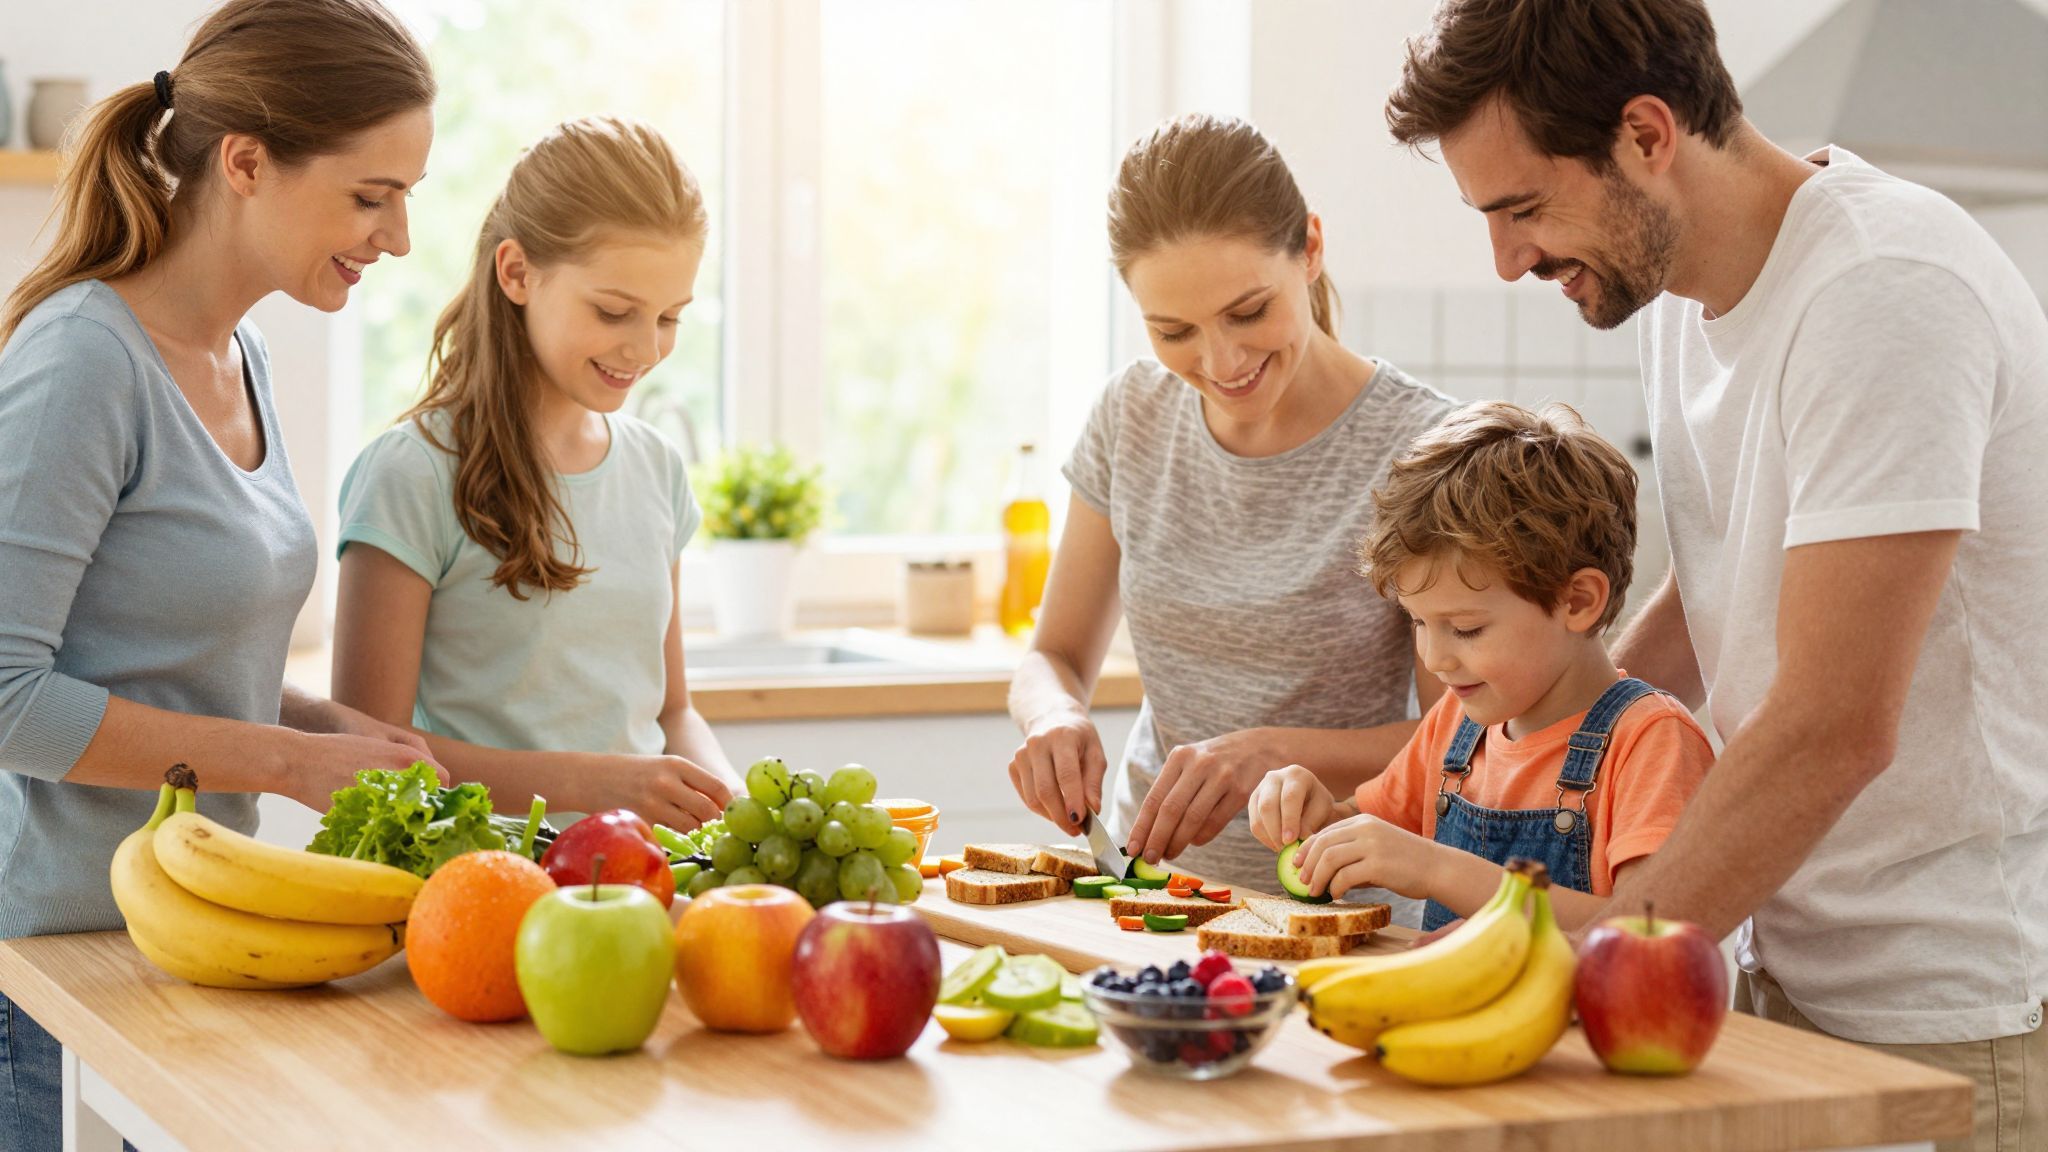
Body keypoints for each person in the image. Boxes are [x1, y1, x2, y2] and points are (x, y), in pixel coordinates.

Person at [1385, 0, 2048, 1145]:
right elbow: (1717, 589)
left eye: (1523, 207)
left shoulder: (1880, 291)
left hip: (1946, 998)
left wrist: (1596, 947)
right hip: (1768, 954)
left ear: (1646, 135)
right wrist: (1554, 738)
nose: (1506, 260)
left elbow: (1835, 721)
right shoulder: (1670, 290)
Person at [0, 1, 437, 1147]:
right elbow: (6, 699)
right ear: (245, 161)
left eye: (407, 198)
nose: (395, 238)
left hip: (184, 950)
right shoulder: (85, 357)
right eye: (369, 195)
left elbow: (160, 658)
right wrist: (291, 760)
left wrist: (320, 722)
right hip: (51, 978)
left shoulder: (240, 353)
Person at [1005, 113, 1455, 905]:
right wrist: (1052, 719)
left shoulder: (1423, 446)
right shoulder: (1131, 416)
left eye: (1248, 312)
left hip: (1340, 908)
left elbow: (1466, 738)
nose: (1221, 363)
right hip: (1147, 895)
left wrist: (1275, 750)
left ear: (1310, 250)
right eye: (1173, 330)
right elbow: (1056, 657)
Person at [330, 118, 737, 832]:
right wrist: (601, 785)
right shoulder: (412, 473)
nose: (646, 348)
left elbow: (672, 712)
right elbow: (368, 754)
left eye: (670, 317)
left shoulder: (655, 469)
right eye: (615, 311)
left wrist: (733, 802)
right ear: (517, 272)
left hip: (640, 880)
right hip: (476, 888)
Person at [1248, 401, 1712, 931]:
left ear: (1578, 601)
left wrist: (1439, 870)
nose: (1435, 657)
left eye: (1465, 629)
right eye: (1419, 623)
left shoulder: (1651, 743)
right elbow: (1360, 834)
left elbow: (1645, 934)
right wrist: (1314, 816)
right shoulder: (1457, 725)